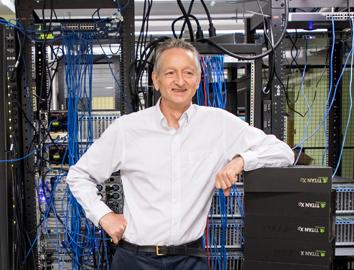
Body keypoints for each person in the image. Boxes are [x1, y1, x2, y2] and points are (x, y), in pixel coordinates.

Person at [66, 38, 294, 270]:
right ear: (156, 80)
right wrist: (103, 216)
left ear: (197, 80)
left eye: (188, 72)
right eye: (170, 73)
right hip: (135, 259)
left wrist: (241, 161)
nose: (180, 81)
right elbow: (79, 175)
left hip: (189, 259)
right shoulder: (127, 129)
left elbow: (283, 153)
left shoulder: (218, 124)